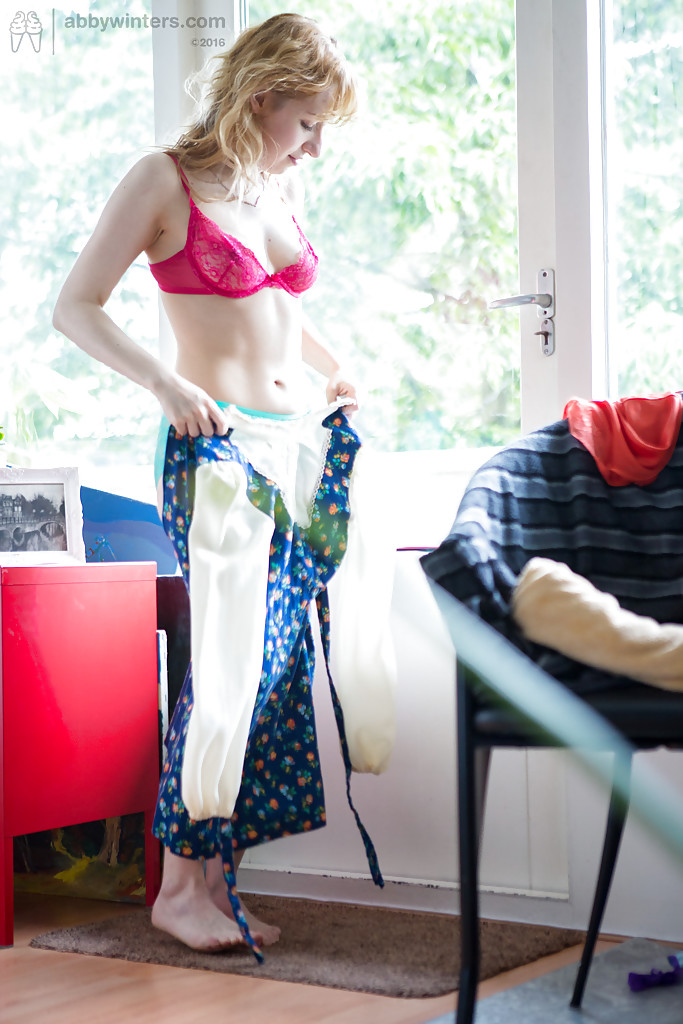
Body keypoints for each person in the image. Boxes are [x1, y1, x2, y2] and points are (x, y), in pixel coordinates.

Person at [53, 14, 394, 960]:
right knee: (227, 670)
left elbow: (273, 309)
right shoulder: (163, 180)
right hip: (216, 452)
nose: (314, 146)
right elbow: (74, 307)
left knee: (273, 671)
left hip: (295, 448)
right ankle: (175, 890)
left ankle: (213, 882)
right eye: (307, 123)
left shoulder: (270, 183)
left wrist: (333, 367)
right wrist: (165, 384)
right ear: (260, 97)